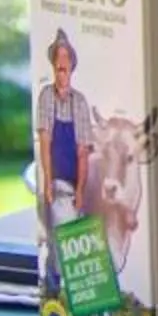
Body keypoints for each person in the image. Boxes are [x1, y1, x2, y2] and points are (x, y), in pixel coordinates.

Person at [35, 32, 96, 239]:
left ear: (71, 65)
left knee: (73, 233)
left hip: (74, 181)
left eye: (65, 57)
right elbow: (45, 142)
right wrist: (47, 184)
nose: (61, 62)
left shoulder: (79, 102)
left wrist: (80, 190)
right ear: (53, 64)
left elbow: (83, 151)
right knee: (59, 234)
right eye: (58, 57)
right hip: (56, 181)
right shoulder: (46, 96)